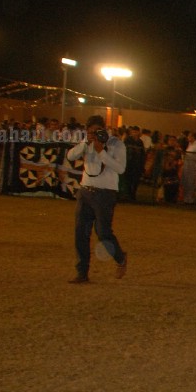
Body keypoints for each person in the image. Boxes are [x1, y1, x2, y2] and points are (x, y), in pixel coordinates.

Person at [65, 115, 129, 284]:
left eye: (96, 131)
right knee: (80, 233)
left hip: (105, 193)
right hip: (85, 191)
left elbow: (120, 168)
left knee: (103, 233)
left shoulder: (116, 144)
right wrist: (85, 144)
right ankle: (82, 272)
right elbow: (70, 156)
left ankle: (120, 258)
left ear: (104, 128)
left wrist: (102, 152)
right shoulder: (86, 142)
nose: (93, 134)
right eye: (90, 131)